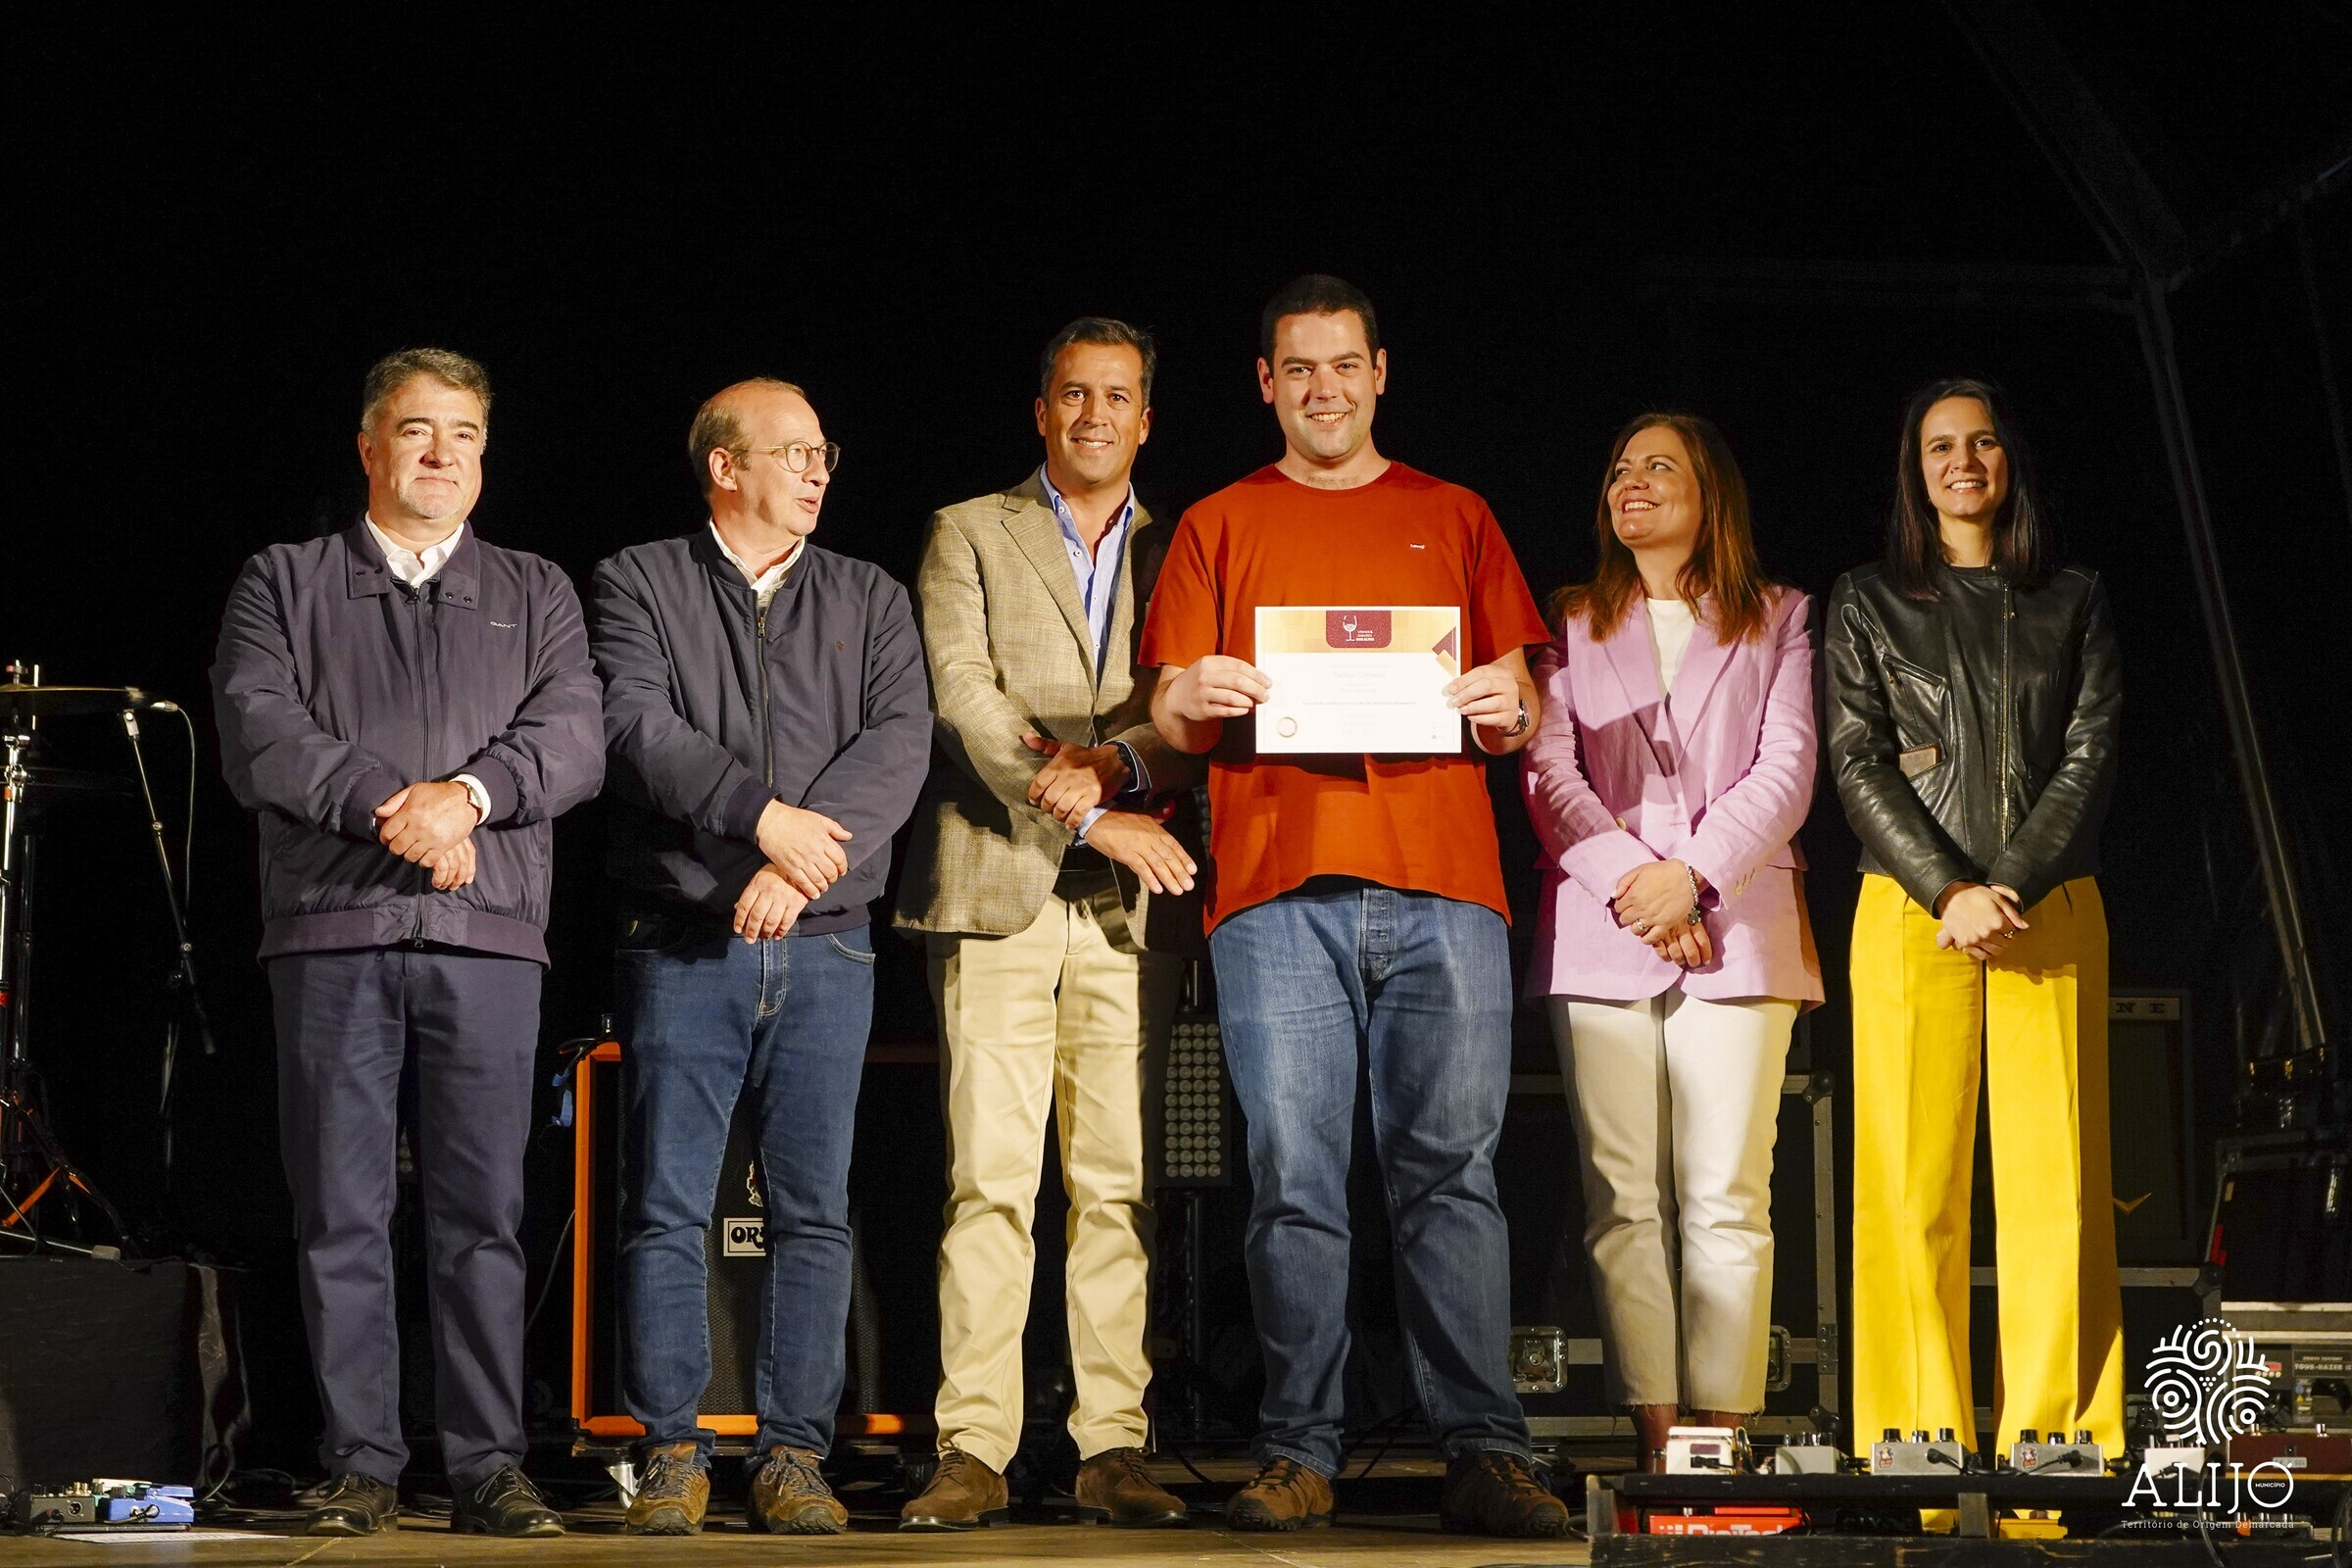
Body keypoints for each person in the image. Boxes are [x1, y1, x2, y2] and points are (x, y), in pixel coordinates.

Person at [1141, 274, 1570, 1539]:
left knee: (1452, 1175)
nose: (1323, 389)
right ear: (1265, 384)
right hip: (1276, 893)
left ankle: (1484, 1450)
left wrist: (1511, 707)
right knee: (1293, 1181)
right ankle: (1298, 1450)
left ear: (1380, 373)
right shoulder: (1219, 522)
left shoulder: (1456, 514)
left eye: (1344, 365)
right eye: (1299, 368)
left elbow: (1520, 703)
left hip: (1446, 890)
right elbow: (1173, 713)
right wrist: (1193, 696)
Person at [212, 348, 604, 1539]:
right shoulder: (284, 579)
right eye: (419, 431)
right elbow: (260, 729)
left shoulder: (536, 588)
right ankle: (362, 1463)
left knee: (483, 1215)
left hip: (486, 939)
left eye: (465, 435)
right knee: (340, 1211)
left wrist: (469, 800)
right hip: (333, 928)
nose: (443, 454)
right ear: (371, 447)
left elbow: (574, 736)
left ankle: (488, 1464)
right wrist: (402, 810)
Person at [591, 379, 930, 1536]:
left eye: (823, 451)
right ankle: (672, 1451)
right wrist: (760, 822)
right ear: (724, 467)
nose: (817, 469)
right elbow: (636, 729)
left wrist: (798, 868)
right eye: (792, 451)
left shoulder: (869, 594)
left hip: (827, 942)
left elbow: (900, 742)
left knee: (813, 1211)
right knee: (666, 1203)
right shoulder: (639, 580)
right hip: (687, 936)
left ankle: (795, 1455)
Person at [892, 318, 1203, 1532]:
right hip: (997, 886)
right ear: (1041, 411)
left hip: (1133, 908)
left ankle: (1112, 1445)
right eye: (1074, 394)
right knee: (990, 1183)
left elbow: (1193, 706)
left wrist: (1121, 776)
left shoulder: (1187, 542)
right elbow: (963, 694)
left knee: (1119, 1187)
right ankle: (974, 1445)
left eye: (1116, 397)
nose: (1093, 416)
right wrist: (1086, 812)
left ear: (1146, 419)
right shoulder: (969, 529)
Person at [1828, 377, 2125, 1468]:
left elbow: (2090, 752)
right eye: (1940, 446)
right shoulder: (1867, 599)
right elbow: (1857, 759)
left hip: (2051, 906)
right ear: (1916, 471)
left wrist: (2012, 882)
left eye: (1983, 442)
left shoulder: (2075, 596)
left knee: (2058, 1192)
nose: (1963, 461)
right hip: (1911, 908)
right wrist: (1950, 889)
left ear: (2010, 461)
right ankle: (1919, 1452)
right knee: (1912, 1189)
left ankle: (2060, 1453)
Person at [1520, 413, 1821, 1471]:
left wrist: (1688, 879)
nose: (1632, 483)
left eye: (1659, 466)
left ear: (1711, 492)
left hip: (1736, 920)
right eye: (1619, 469)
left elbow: (1788, 769)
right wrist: (1635, 884)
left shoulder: (1780, 615)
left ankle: (1722, 1437)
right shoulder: (1567, 620)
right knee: (1621, 1197)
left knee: (1728, 1192)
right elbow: (1549, 775)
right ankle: (1658, 1436)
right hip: (1604, 922)